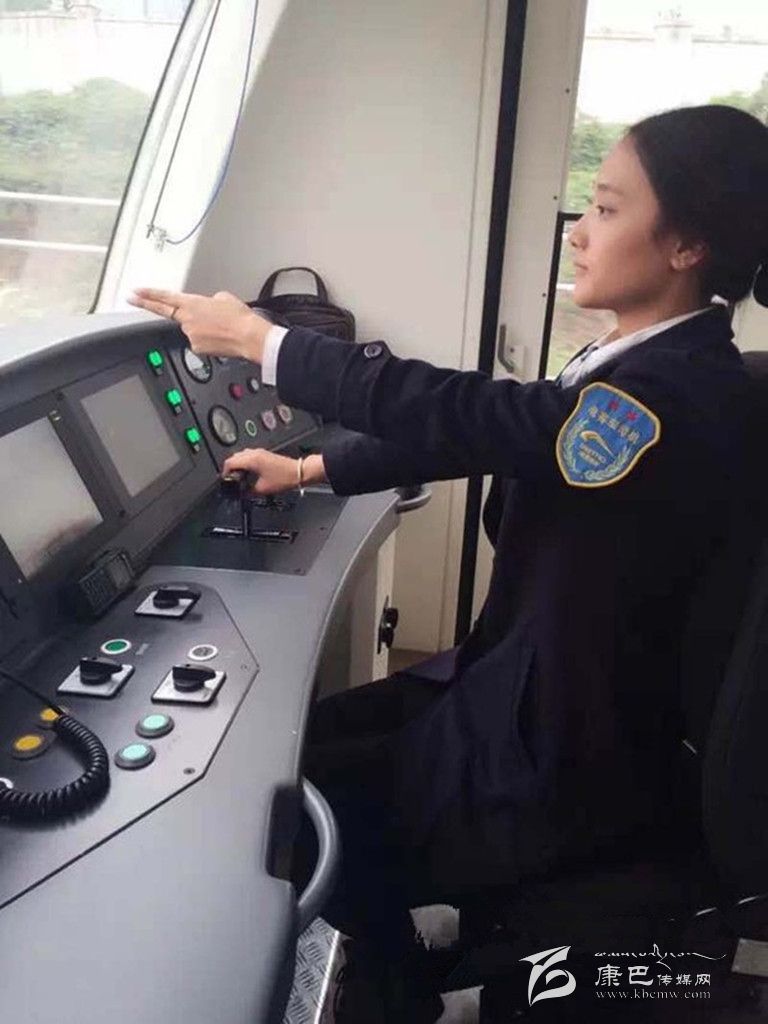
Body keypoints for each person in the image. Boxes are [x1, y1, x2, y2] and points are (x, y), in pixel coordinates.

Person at [129, 105, 768, 1022]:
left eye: (606, 208)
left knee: (286, 815)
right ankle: (403, 953)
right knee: (288, 750)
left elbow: (480, 416)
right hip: (518, 684)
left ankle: (390, 992)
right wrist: (310, 469)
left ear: (687, 245)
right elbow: (502, 431)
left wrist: (266, 344)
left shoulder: (674, 395)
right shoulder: (641, 361)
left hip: (561, 752)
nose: (579, 233)